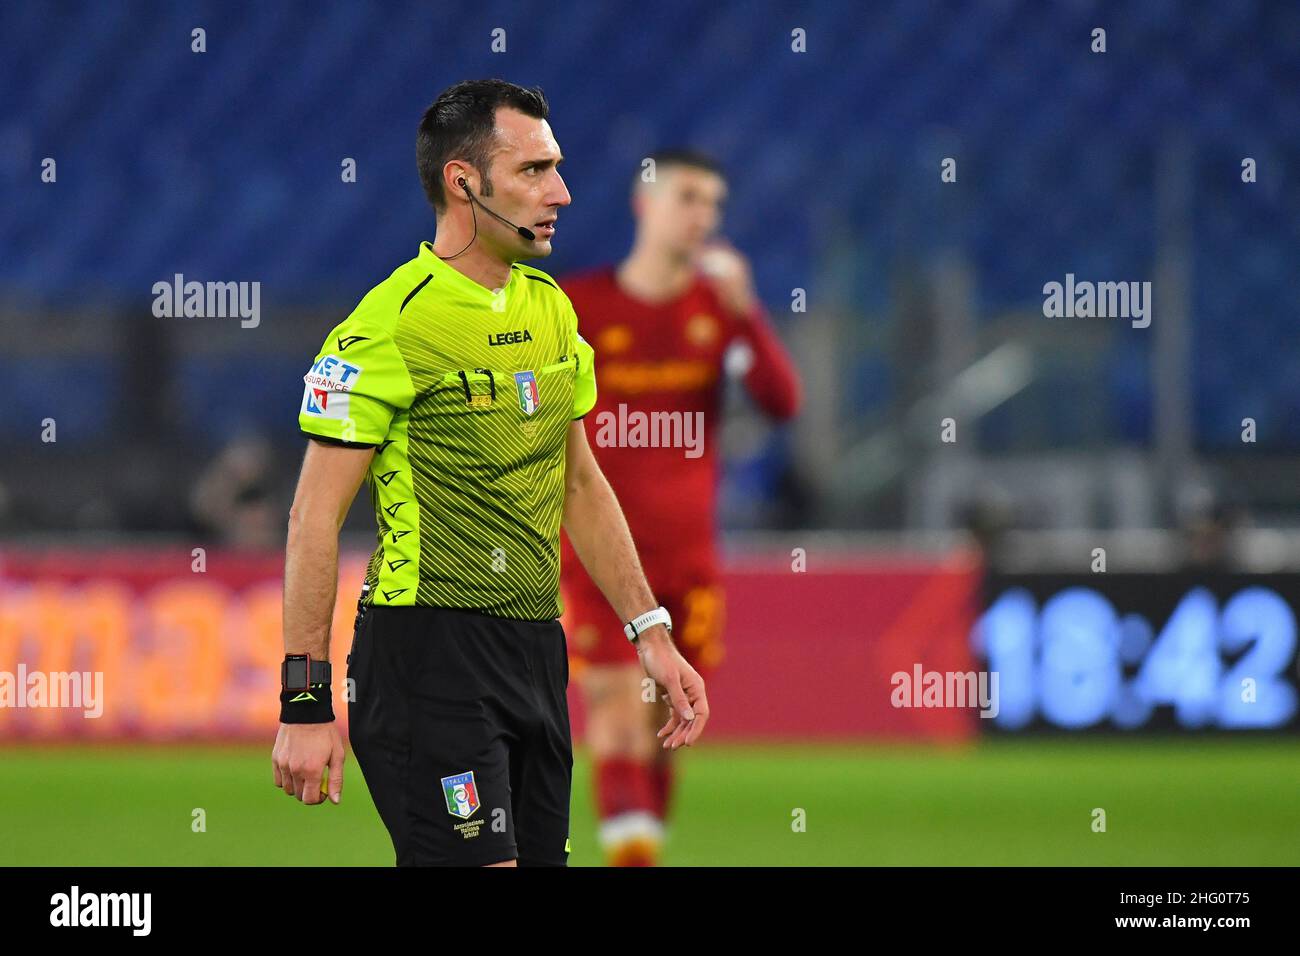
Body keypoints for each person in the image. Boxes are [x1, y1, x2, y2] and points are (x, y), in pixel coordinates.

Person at [271, 79, 709, 867]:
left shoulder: (552, 310)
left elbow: (580, 485)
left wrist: (650, 631)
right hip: (426, 649)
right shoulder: (389, 327)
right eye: (535, 171)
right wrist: (304, 703)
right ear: (464, 182)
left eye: (558, 168)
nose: (563, 193)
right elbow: (312, 518)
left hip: (536, 650)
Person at [558, 150, 801, 865]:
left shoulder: (714, 313)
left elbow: (783, 402)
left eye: (715, 204)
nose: (704, 217)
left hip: (690, 558)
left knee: (669, 726)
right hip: (599, 556)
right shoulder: (580, 307)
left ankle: (642, 849)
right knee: (616, 717)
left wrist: (748, 315)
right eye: (689, 197)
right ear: (645, 203)